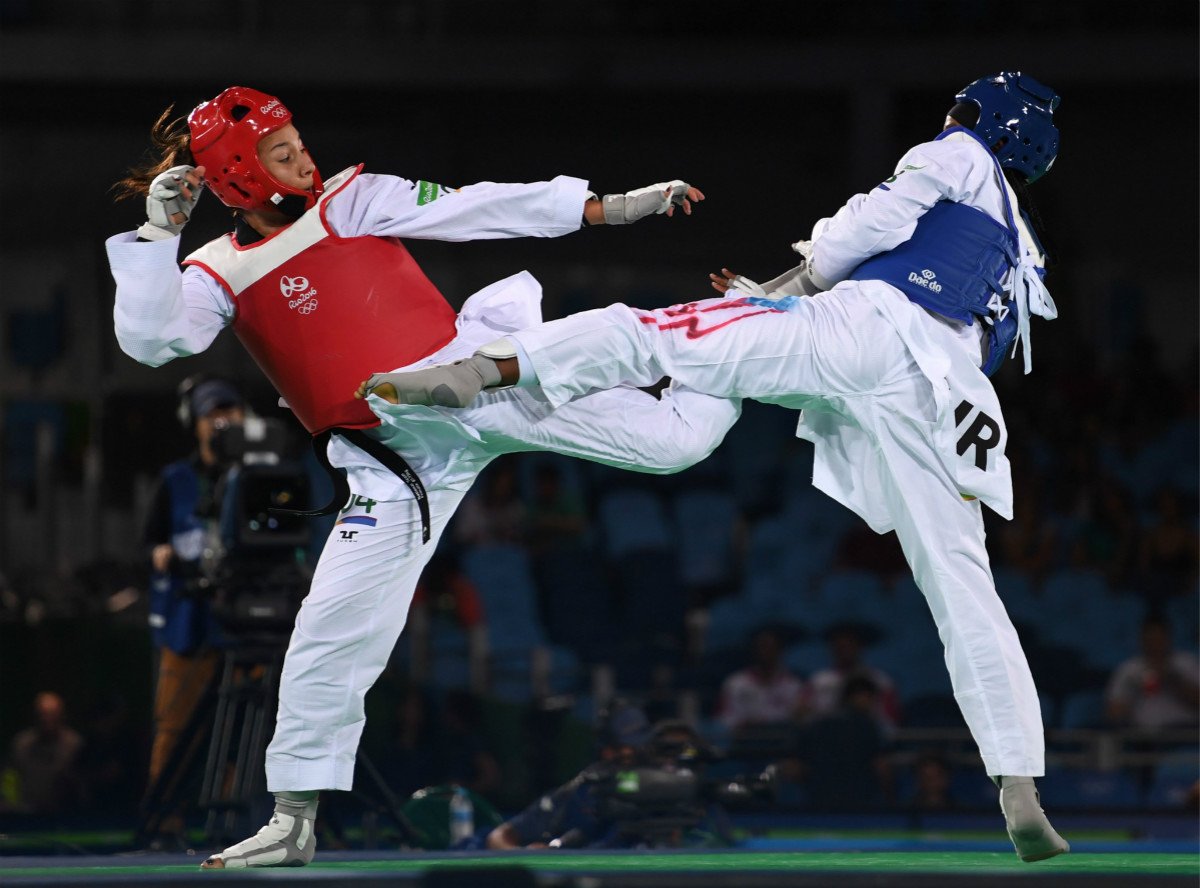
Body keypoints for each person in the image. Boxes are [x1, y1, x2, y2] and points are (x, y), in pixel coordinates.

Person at [372, 71, 1071, 862]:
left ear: (993, 124)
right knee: (957, 582)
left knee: (649, 333)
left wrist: (797, 279)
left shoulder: (958, 155)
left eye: (966, 112)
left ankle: (486, 368)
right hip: (939, 396)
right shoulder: (1025, 255)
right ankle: (1018, 784)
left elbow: (858, 235)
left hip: (862, 332)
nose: (954, 120)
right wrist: (768, 296)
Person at [105, 85, 740, 869]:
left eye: (297, 138)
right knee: (329, 629)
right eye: (280, 151)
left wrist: (602, 209)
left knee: (675, 444)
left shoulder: (355, 199)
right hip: (391, 463)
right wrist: (155, 235)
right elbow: (153, 343)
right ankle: (293, 818)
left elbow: (477, 208)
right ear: (237, 177)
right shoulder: (216, 272)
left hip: (470, 384)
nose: (303, 155)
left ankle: (736, 327)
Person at [139, 374, 245, 843]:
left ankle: (235, 824)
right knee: (175, 728)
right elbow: (151, 544)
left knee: (245, 730)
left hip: (247, 619)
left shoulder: (259, 473)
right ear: (195, 423)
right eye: (211, 413)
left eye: (229, 410)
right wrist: (165, 556)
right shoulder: (176, 480)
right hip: (188, 619)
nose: (222, 421)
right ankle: (163, 822)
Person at [1105, 615, 1200, 731]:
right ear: (1141, 640)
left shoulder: (1187, 664)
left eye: (1158, 639)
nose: (1154, 644)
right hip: (1142, 739)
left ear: (1168, 638)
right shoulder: (1129, 670)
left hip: (1183, 736)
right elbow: (1113, 714)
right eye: (1150, 639)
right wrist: (1134, 689)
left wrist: (1174, 680)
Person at [804, 622, 901, 736]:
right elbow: (805, 717)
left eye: (850, 645)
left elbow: (892, 723)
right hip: (827, 739)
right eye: (840, 646)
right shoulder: (818, 681)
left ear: (860, 647)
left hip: (869, 739)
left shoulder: (880, 681)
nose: (845, 650)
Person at [6, 692, 85, 815]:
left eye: (52, 714)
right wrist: (10, 804)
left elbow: (82, 783)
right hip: (25, 815)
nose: (46, 719)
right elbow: (9, 778)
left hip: (65, 815)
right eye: (41, 714)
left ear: (62, 715)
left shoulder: (75, 744)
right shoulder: (21, 743)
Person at [715, 626, 805, 734]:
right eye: (762, 647)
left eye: (771, 648)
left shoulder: (793, 684)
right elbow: (724, 718)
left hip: (781, 739)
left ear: (780, 651)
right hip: (746, 738)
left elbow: (797, 718)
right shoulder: (735, 683)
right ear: (754, 650)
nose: (766, 652)